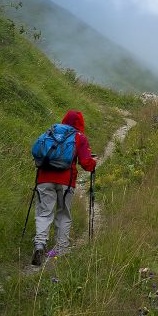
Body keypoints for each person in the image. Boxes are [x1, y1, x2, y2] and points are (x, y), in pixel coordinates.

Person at [32, 110, 97, 266]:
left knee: (44, 212)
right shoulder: (79, 137)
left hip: (44, 178)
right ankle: (61, 248)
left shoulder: (52, 130)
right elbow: (86, 163)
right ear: (80, 123)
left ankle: (40, 244)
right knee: (63, 213)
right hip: (66, 181)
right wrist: (94, 163)